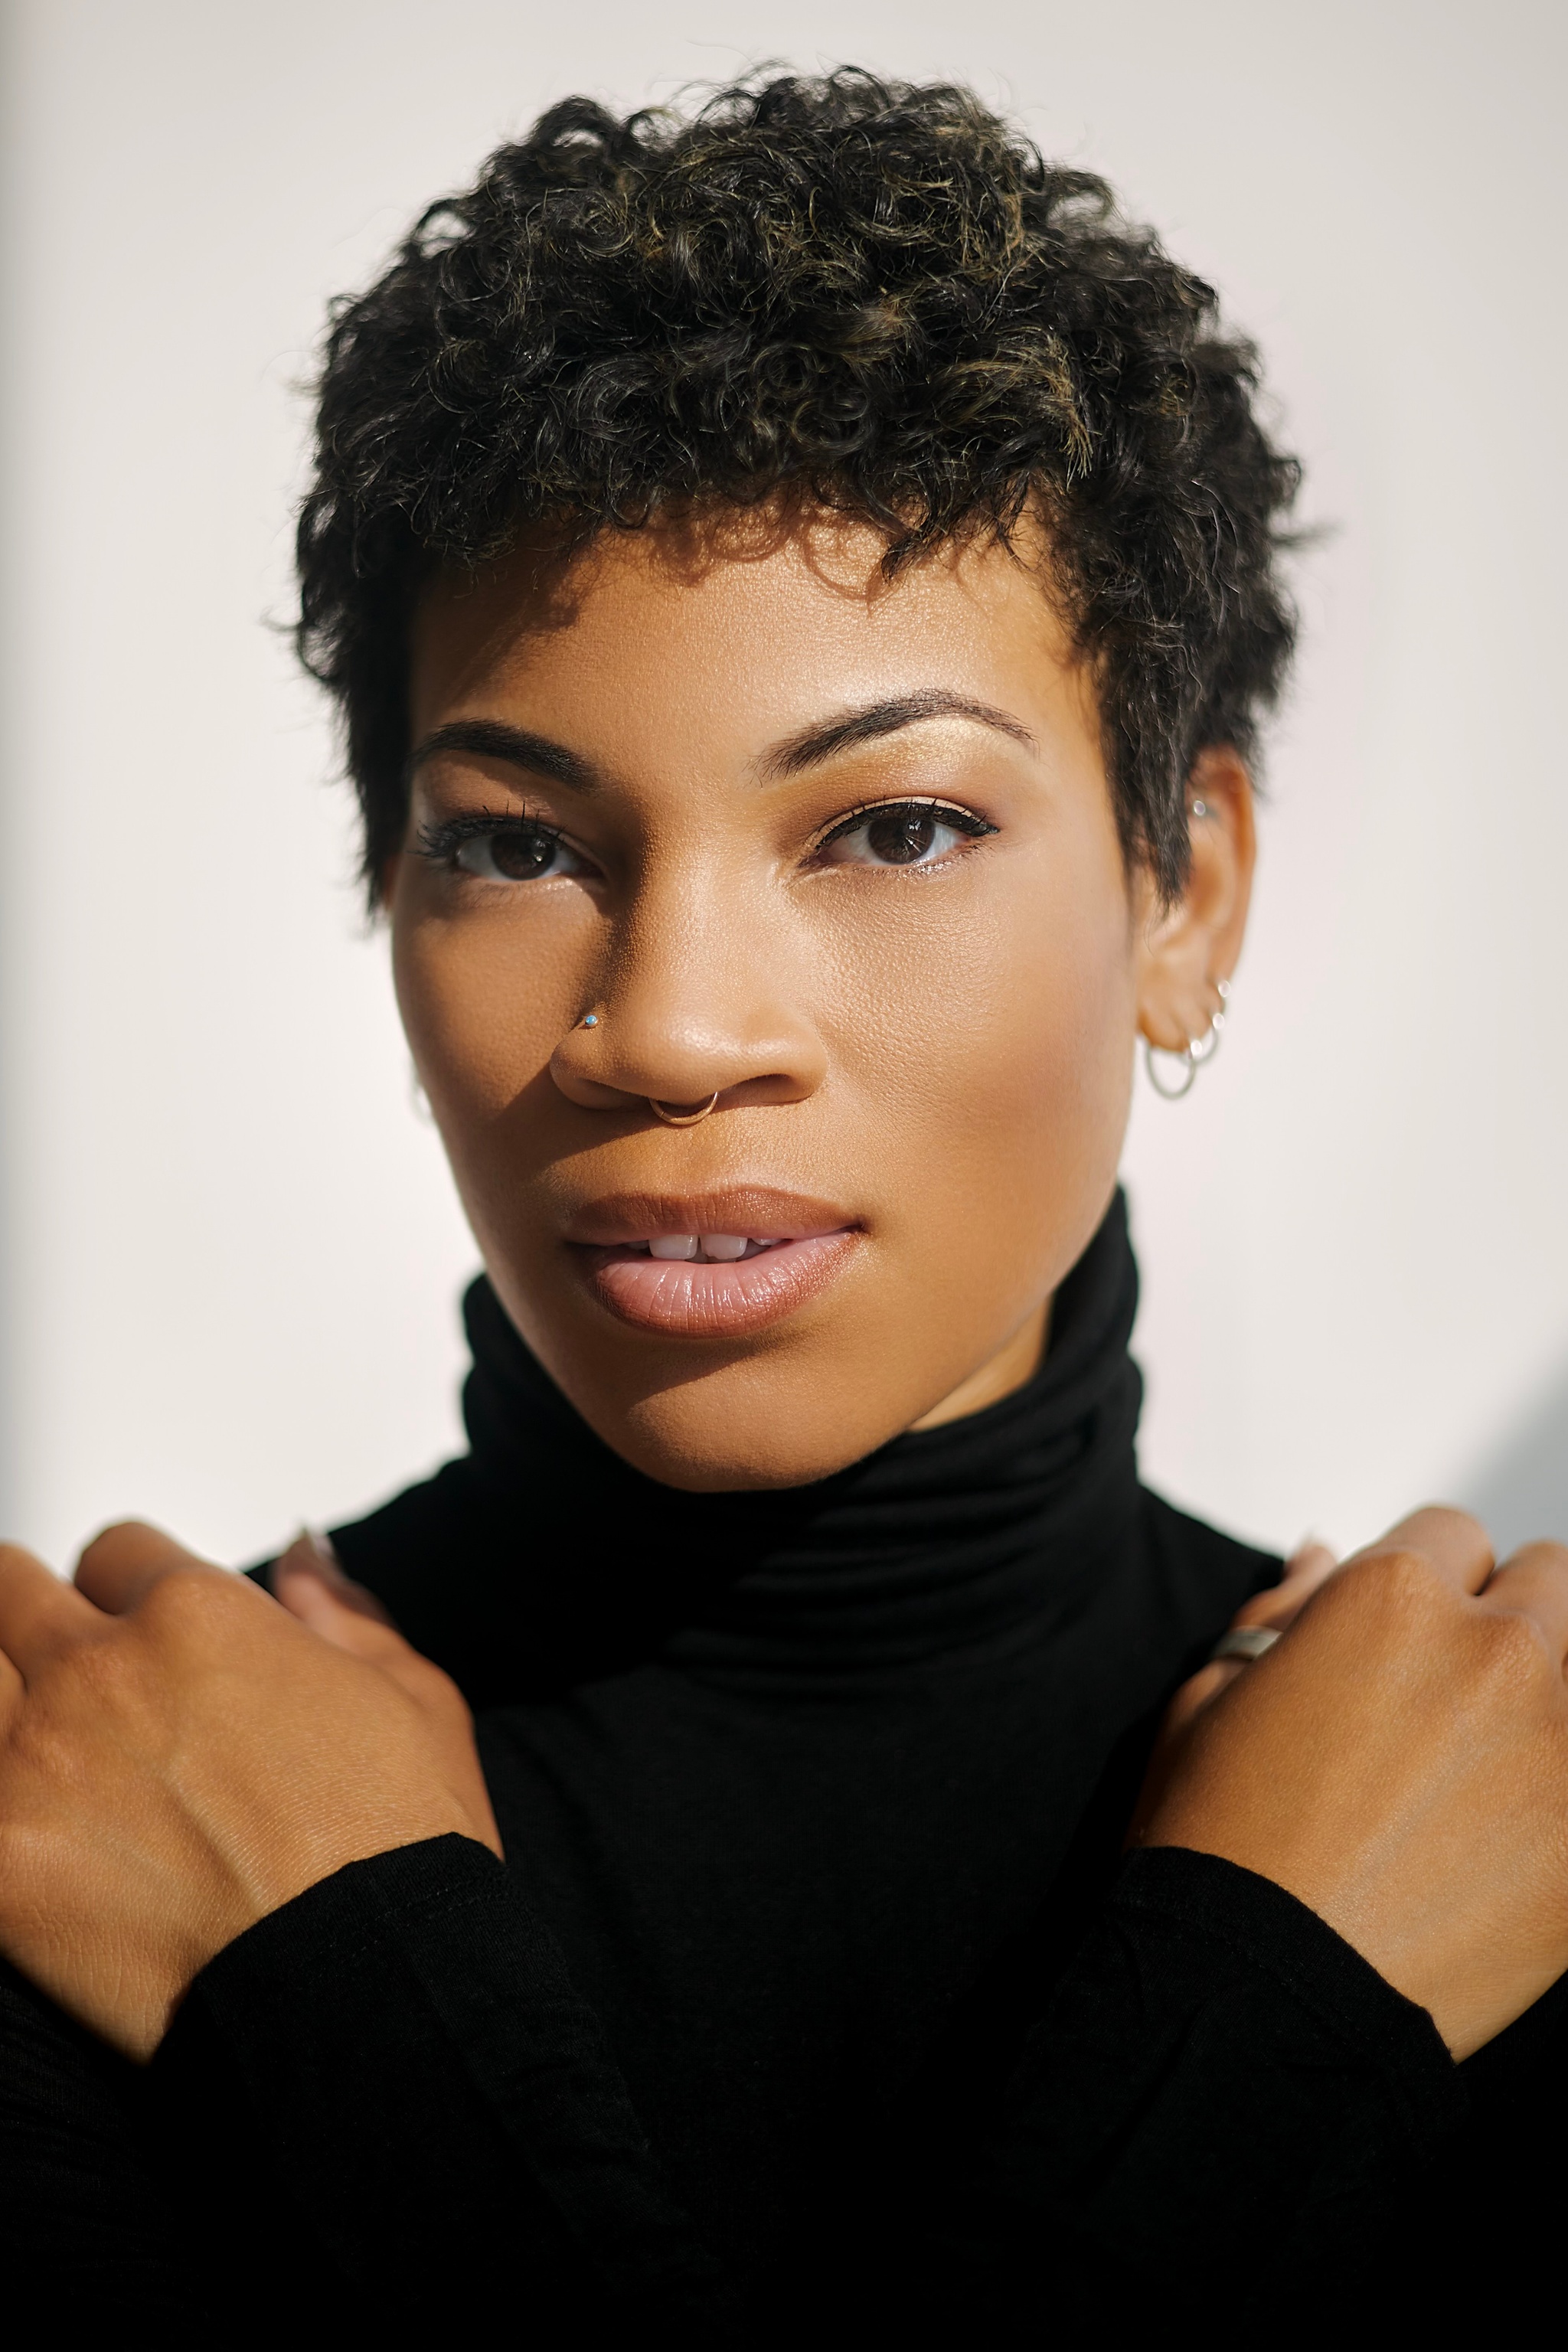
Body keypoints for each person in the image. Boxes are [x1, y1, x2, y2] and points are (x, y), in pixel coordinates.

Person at [2, 71, 1566, 2338]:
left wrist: (357, 2027)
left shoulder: (1509, 1847)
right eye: (520, 841)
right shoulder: (86, 1831)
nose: (667, 1029)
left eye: (896, 828)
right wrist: (1265, 2037)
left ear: (1188, 888)